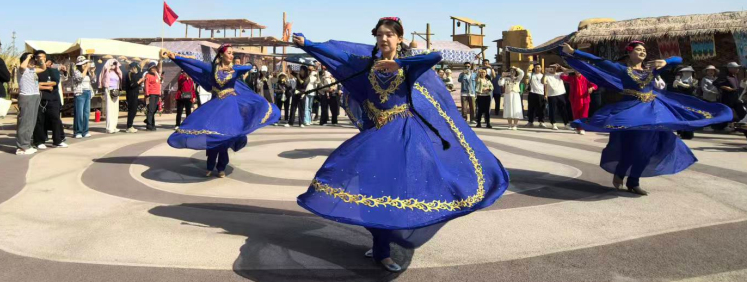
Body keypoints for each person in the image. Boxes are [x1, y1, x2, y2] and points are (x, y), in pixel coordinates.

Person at [292, 17, 508, 273]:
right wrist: (308, 43)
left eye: (389, 35)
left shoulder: (408, 66)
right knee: (367, 187)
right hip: (376, 134)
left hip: (403, 136)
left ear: (398, 38)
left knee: (394, 190)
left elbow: (435, 56)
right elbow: (337, 54)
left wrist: (399, 63)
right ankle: (380, 241)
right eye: (380, 34)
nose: (384, 39)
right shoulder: (367, 63)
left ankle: (383, 249)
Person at [561, 41, 732, 195]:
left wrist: (667, 61)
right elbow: (598, 60)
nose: (642, 52)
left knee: (647, 149)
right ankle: (621, 171)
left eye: (644, 50)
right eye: (638, 49)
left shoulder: (653, 68)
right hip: (631, 112)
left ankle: (633, 182)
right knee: (632, 148)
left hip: (653, 111)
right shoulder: (622, 69)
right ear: (630, 53)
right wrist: (574, 52)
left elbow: (679, 59)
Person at [162, 45, 280, 177]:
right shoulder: (213, 68)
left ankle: (221, 167)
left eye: (232, 53)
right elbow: (194, 62)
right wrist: (174, 56)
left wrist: (240, 67)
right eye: (229, 53)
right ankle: (210, 165)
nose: (231, 56)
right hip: (216, 105)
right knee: (212, 134)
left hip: (230, 107)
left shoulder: (234, 70)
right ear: (221, 55)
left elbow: (249, 67)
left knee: (225, 137)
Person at [33, 51, 66, 148]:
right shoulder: (35, 71)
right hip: (39, 98)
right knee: (40, 120)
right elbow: (34, 84)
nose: (42, 60)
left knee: (55, 119)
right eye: (39, 57)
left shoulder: (53, 71)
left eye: (44, 58)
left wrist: (43, 84)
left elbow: (54, 82)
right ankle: (39, 141)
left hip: (53, 98)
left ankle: (58, 140)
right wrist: (46, 86)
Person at [15, 53, 45, 155]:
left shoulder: (32, 70)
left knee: (31, 122)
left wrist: (40, 60)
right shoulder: (21, 70)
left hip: (35, 96)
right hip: (26, 97)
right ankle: (22, 147)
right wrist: (28, 57)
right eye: (31, 61)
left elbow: (43, 68)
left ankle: (26, 144)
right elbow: (23, 66)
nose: (33, 63)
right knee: (25, 122)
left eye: (33, 61)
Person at [561, 70, 597, 135]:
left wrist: (592, 88)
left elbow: (594, 85)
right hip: (574, 99)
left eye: (579, 70)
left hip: (584, 99)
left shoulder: (586, 78)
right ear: (574, 72)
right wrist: (568, 70)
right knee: (576, 115)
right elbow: (562, 76)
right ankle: (578, 128)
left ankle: (582, 128)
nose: (578, 72)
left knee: (584, 114)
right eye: (576, 71)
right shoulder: (572, 78)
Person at [715, 62, 747, 127]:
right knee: (727, 112)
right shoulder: (724, 76)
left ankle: (741, 124)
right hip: (727, 97)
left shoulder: (734, 76)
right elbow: (716, 83)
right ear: (730, 69)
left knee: (741, 110)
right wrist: (725, 87)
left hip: (735, 97)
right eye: (736, 68)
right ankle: (724, 126)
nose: (738, 69)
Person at [72, 56, 95, 138]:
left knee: (86, 113)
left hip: (88, 92)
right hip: (80, 93)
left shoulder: (87, 72)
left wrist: (92, 72)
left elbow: (93, 81)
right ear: (80, 64)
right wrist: (86, 69)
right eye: (85, 63)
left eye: (86, 63)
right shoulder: (76, 72)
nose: (86, 65)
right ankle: (78, 131)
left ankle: (85, 131)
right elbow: (80, 78)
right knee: (79, 113)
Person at [98, 59, 122, 134]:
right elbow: (101, 76)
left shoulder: (116, 72)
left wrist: (117, 67)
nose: (114, 65)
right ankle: (109, 127)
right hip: (108, 89)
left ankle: (114, 126)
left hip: (116, 90)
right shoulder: (106, 71)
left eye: (115, 64)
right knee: (109, 108)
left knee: (115, 108)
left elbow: (121, 76)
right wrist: (108, 68)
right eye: (113, 64)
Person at [673, 66, 697, 139]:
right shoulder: (678, 80)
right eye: (685, 72)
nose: (686, 73)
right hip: (680, 100)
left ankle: (689, 133)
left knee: (689, 116)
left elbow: (691, 87)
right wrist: (675, 84)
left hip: (690, 100)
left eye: (688, 72)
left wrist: (682, 84)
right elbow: (674, 88)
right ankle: (680, 131)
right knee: (680, 115)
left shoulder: (694, 80)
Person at [544, 64, 571, 130]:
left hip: (561, 94)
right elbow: (543, 83)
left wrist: (560, 66)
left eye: (554, 67)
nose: (552, 69)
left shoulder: (560, 74)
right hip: (551, 95)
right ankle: (553, 123)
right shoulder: (547, 75)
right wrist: (546, 94)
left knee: (563, 109)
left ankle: (566, 123)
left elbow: (568, 72)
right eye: (551, 67)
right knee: (552, 110)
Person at [139, 62, 162, 131]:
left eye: (155, 68)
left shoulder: (156, 75)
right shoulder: (148, 75)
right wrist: (147, 95)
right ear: (149, 68)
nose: (154, 69)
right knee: (151, 109)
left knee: (155, 109)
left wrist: (160, 94)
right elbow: (146, 85)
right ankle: (149, 124)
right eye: (152, 68)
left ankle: (150, 121)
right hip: (151, 94)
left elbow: (159, 84)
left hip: (157, 94)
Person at [123, 62, 141, 133]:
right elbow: (132, 84)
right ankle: (129, 126)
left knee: (134, 110)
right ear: (133, 68)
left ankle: (131, 125)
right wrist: (139, 81)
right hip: (131, 95)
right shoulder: (129, 74)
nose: (137, 70)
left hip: (135, 94)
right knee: (131, 111)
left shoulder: (133, 74)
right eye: (136, 68)